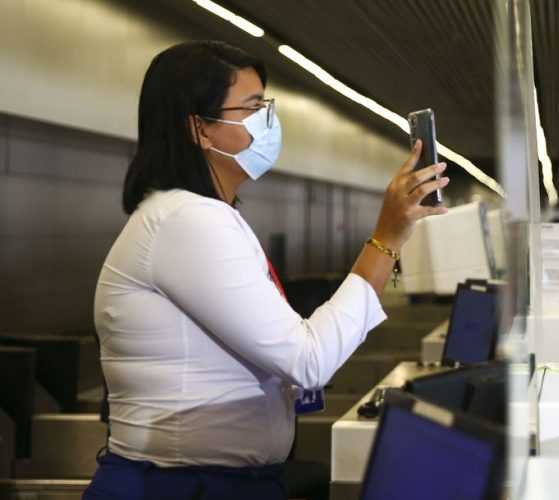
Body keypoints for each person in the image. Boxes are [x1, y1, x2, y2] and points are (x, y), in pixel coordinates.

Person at [83, 41, 448, 499]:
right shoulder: (187, 221)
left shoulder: (203, 216)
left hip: (216, 482)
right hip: (179, 487)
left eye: (266, 107)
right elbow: (308, 360)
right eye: (253, 109)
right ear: (201, 129)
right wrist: (387, 238)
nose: (268, 122)